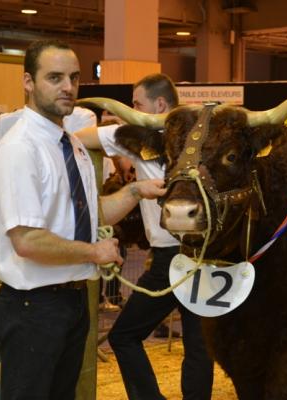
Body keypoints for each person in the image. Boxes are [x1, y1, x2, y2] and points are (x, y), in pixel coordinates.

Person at [0, 39, 166, 400]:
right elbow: (26, 240)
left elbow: (87, 211)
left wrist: (135, 192)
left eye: (73, 77)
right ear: (28, 82)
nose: (68, 87)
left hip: (71, 301)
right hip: (32, 307)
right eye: (54, 77)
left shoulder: (73, 146)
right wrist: (93, 252)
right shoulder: (21, 148)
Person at [75, 72, 214, 400]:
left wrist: (117, 153)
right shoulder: (203, 135)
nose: (133, 109)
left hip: (171, 257)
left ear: (160, 104)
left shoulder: (138, 137)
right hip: (205, 251)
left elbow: (78, 137)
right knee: (198, 344)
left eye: (137, 104)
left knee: (125, 335)